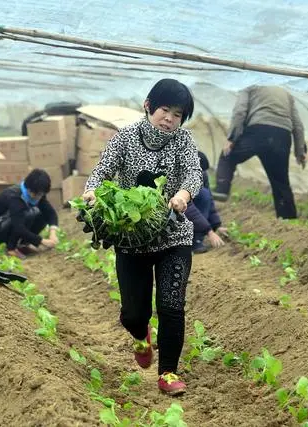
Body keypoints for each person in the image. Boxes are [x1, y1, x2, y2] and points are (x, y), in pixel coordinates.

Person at [82, 78, 202, 396]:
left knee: (172, 305)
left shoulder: (184, 141)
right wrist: (92, 191)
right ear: (149, 106)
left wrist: (183, 194)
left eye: (178, 114)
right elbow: (103, 169)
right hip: (132, 239)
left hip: (173, 236)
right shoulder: (126, 137)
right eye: (165, 110)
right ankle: (141, 336)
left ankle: (168, 373)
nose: (170, 119)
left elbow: (194, 173)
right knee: (134, 314)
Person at [213, 85, 307, 219]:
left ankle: (222, 189)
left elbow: (240, 111)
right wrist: (300, 151)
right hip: (282, 135)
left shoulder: (250, 85)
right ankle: (288, 218)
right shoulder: (286, 92)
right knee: (281, 181)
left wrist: (232, 138)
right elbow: (297, 124)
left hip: (258, 131)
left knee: (227, 156)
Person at [0, 169, 59, 259]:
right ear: (29, 189)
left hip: (11, 223)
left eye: (41, 194)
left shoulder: (38, 194)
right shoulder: (14, 197)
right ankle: (11, 248)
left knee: (41, 214)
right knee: (28, 214)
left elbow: (50, 213)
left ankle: (24, 244)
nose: (38, 197)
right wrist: (42, 241)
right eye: (36, 194)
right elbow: (19, 227)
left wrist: (53, 233)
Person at [184, 151, 226, 254]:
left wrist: (216, 225)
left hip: (190, 211)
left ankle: (196, 240)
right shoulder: (178, 177)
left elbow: (208, 200)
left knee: (204, 194)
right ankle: (186, 241)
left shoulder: (202, 175)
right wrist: (209, 231)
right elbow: (189, 209)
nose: (202, 175)